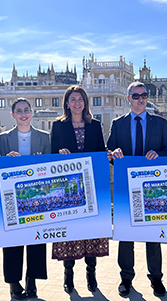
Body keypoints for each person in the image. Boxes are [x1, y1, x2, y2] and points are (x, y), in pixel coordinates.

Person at [107, 81, 167, 297]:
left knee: (153, 236)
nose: (141, 99)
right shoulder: (118, 124)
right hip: (125, 188)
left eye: (144, 95)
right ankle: (126, 278)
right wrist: (113, 153)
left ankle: (156, 279)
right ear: (129, 99)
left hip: (153, 189)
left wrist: (159, 155)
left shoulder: (160, 123)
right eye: (136, 96)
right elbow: (109, 152)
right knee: (125, 235)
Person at [50, 85, 109, 294]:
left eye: (80, 99)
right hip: (67, 189)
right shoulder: (58, 126)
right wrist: (59, 153)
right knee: (69, 233)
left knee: (91, 231)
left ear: (85, 103)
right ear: (67, 102)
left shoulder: (95, 125)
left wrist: (109, 155)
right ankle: (68, 275)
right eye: (73, 99)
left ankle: (91, 274)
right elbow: (51, 156)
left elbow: (101, 154)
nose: (77, 103)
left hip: (91, 187)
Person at [0, 98, 51, 301]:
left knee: (36, 240)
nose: (23, 114)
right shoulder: (3, 139)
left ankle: (32, 281)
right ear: (13, 115)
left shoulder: (45, 137)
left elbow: (49, 166)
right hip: (12, 198)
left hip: (37, 198)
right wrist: (6, 159)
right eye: (19, 111)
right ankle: (13, 283)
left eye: (27, 110)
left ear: (32, 112)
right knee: (12, 241)